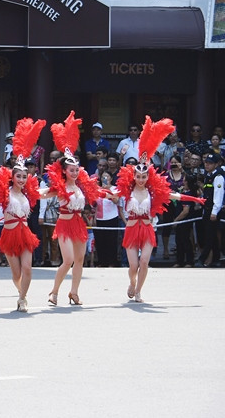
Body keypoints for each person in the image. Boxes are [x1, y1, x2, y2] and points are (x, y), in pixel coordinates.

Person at [105, 117, 205, 301]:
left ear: (148, 176)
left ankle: (138, 291)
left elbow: (175, 196)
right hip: (132, 229)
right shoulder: (127, 190)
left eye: (144, 176)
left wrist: (195, 198)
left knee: (144, 262)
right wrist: (89, 190)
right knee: (133, 266)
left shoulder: (153, 192)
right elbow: (108, 193)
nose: (141, 179)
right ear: (134, 176)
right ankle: (132, 283)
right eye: (138, 176)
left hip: (147, 228)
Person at [40, 112, 103, 306]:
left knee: (80, 259)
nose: (75, 173)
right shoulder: (59, 188)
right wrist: (25, 191)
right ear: (64, 171)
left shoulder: (81, 186)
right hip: (64, 225)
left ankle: (74, 292)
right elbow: (42, 193)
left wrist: (113, 193)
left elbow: (99, 192)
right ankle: (54, 291)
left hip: (79, 224)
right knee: (67, 260)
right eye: (71, 170)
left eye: (77, 170)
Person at [0, 118, 46, 312]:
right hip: (9, 234)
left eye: (24, 176)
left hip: (25, 233)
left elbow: (46, 193)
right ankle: (21, 292)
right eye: (18, 176)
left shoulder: (29, 193)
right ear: (12, 177)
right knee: (16, 273)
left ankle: (22, 298)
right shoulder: (5, 192)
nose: (21, 179)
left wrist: (60, 189)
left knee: (27, 268)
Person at [198, 153, 224, 267]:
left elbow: (218, 196)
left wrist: (214, 212)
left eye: (210, 163)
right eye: (206, 163)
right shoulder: (208, 175)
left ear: (216, 164)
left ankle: (202, 259)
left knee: (209, 236)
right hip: (207, 209)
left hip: (213, 211)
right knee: (212, 236)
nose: (207, 165)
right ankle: (216, 259)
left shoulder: (218, 177)